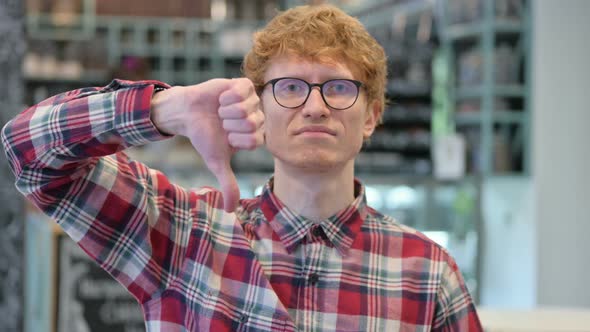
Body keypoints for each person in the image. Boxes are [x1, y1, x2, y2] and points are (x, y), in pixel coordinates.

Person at [2, 5, 482, 331]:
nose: (314, 107)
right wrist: (164, 110)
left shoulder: (426, 272)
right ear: (259, 111)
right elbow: (27, 149)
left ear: (371, 115)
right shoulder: (184, 234)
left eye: (338, 87)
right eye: (291, 88)